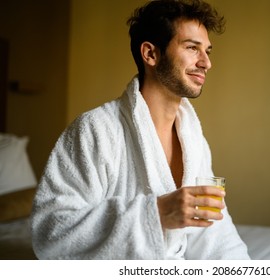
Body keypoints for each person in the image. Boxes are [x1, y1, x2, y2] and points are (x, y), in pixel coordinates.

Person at [31, 0, 250, 260]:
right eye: (192, 47)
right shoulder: (95, 130)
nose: (206, 63)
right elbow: (51, 231)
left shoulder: (193, 138)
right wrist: (156, 213)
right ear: (151, 54)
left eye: (207, 51)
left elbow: (213, 234)